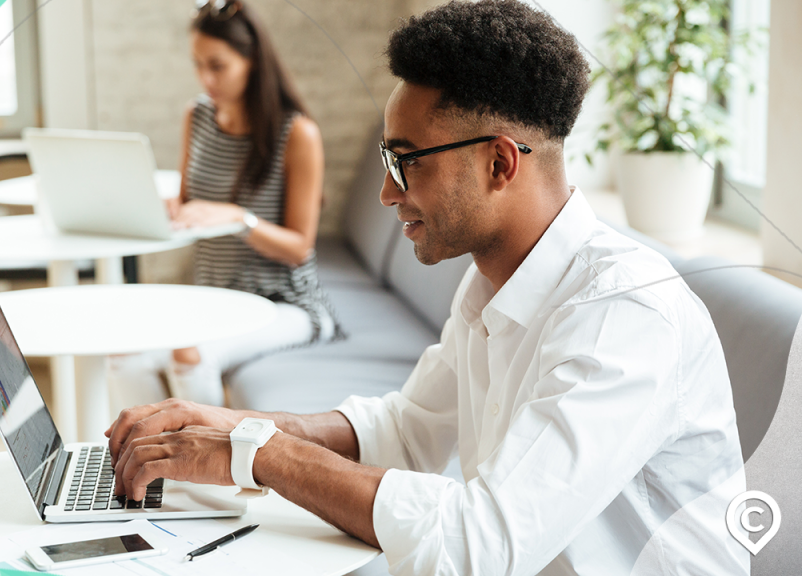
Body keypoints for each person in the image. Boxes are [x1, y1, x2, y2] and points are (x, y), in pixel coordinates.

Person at [104, 1, 748, 574]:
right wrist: (224, 425)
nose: (388, 192)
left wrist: (258, 452)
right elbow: (408, 432)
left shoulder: (623, 317)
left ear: (500, 162)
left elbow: (477, 544)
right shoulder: (489, 282)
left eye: (406, 162)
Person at [159, 0, 340, 405]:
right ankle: (147, 467)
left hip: (285, 304)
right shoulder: (198, 117)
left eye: (218, 65)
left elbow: (299, 248)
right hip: (215, 297)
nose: (206, 78)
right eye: (198, 64)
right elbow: (188, 202)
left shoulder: (297, 134)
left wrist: (240, 219)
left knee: (189, 355)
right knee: (126, 354)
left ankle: (200, 468)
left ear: (252, 59)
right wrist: (170, 207)